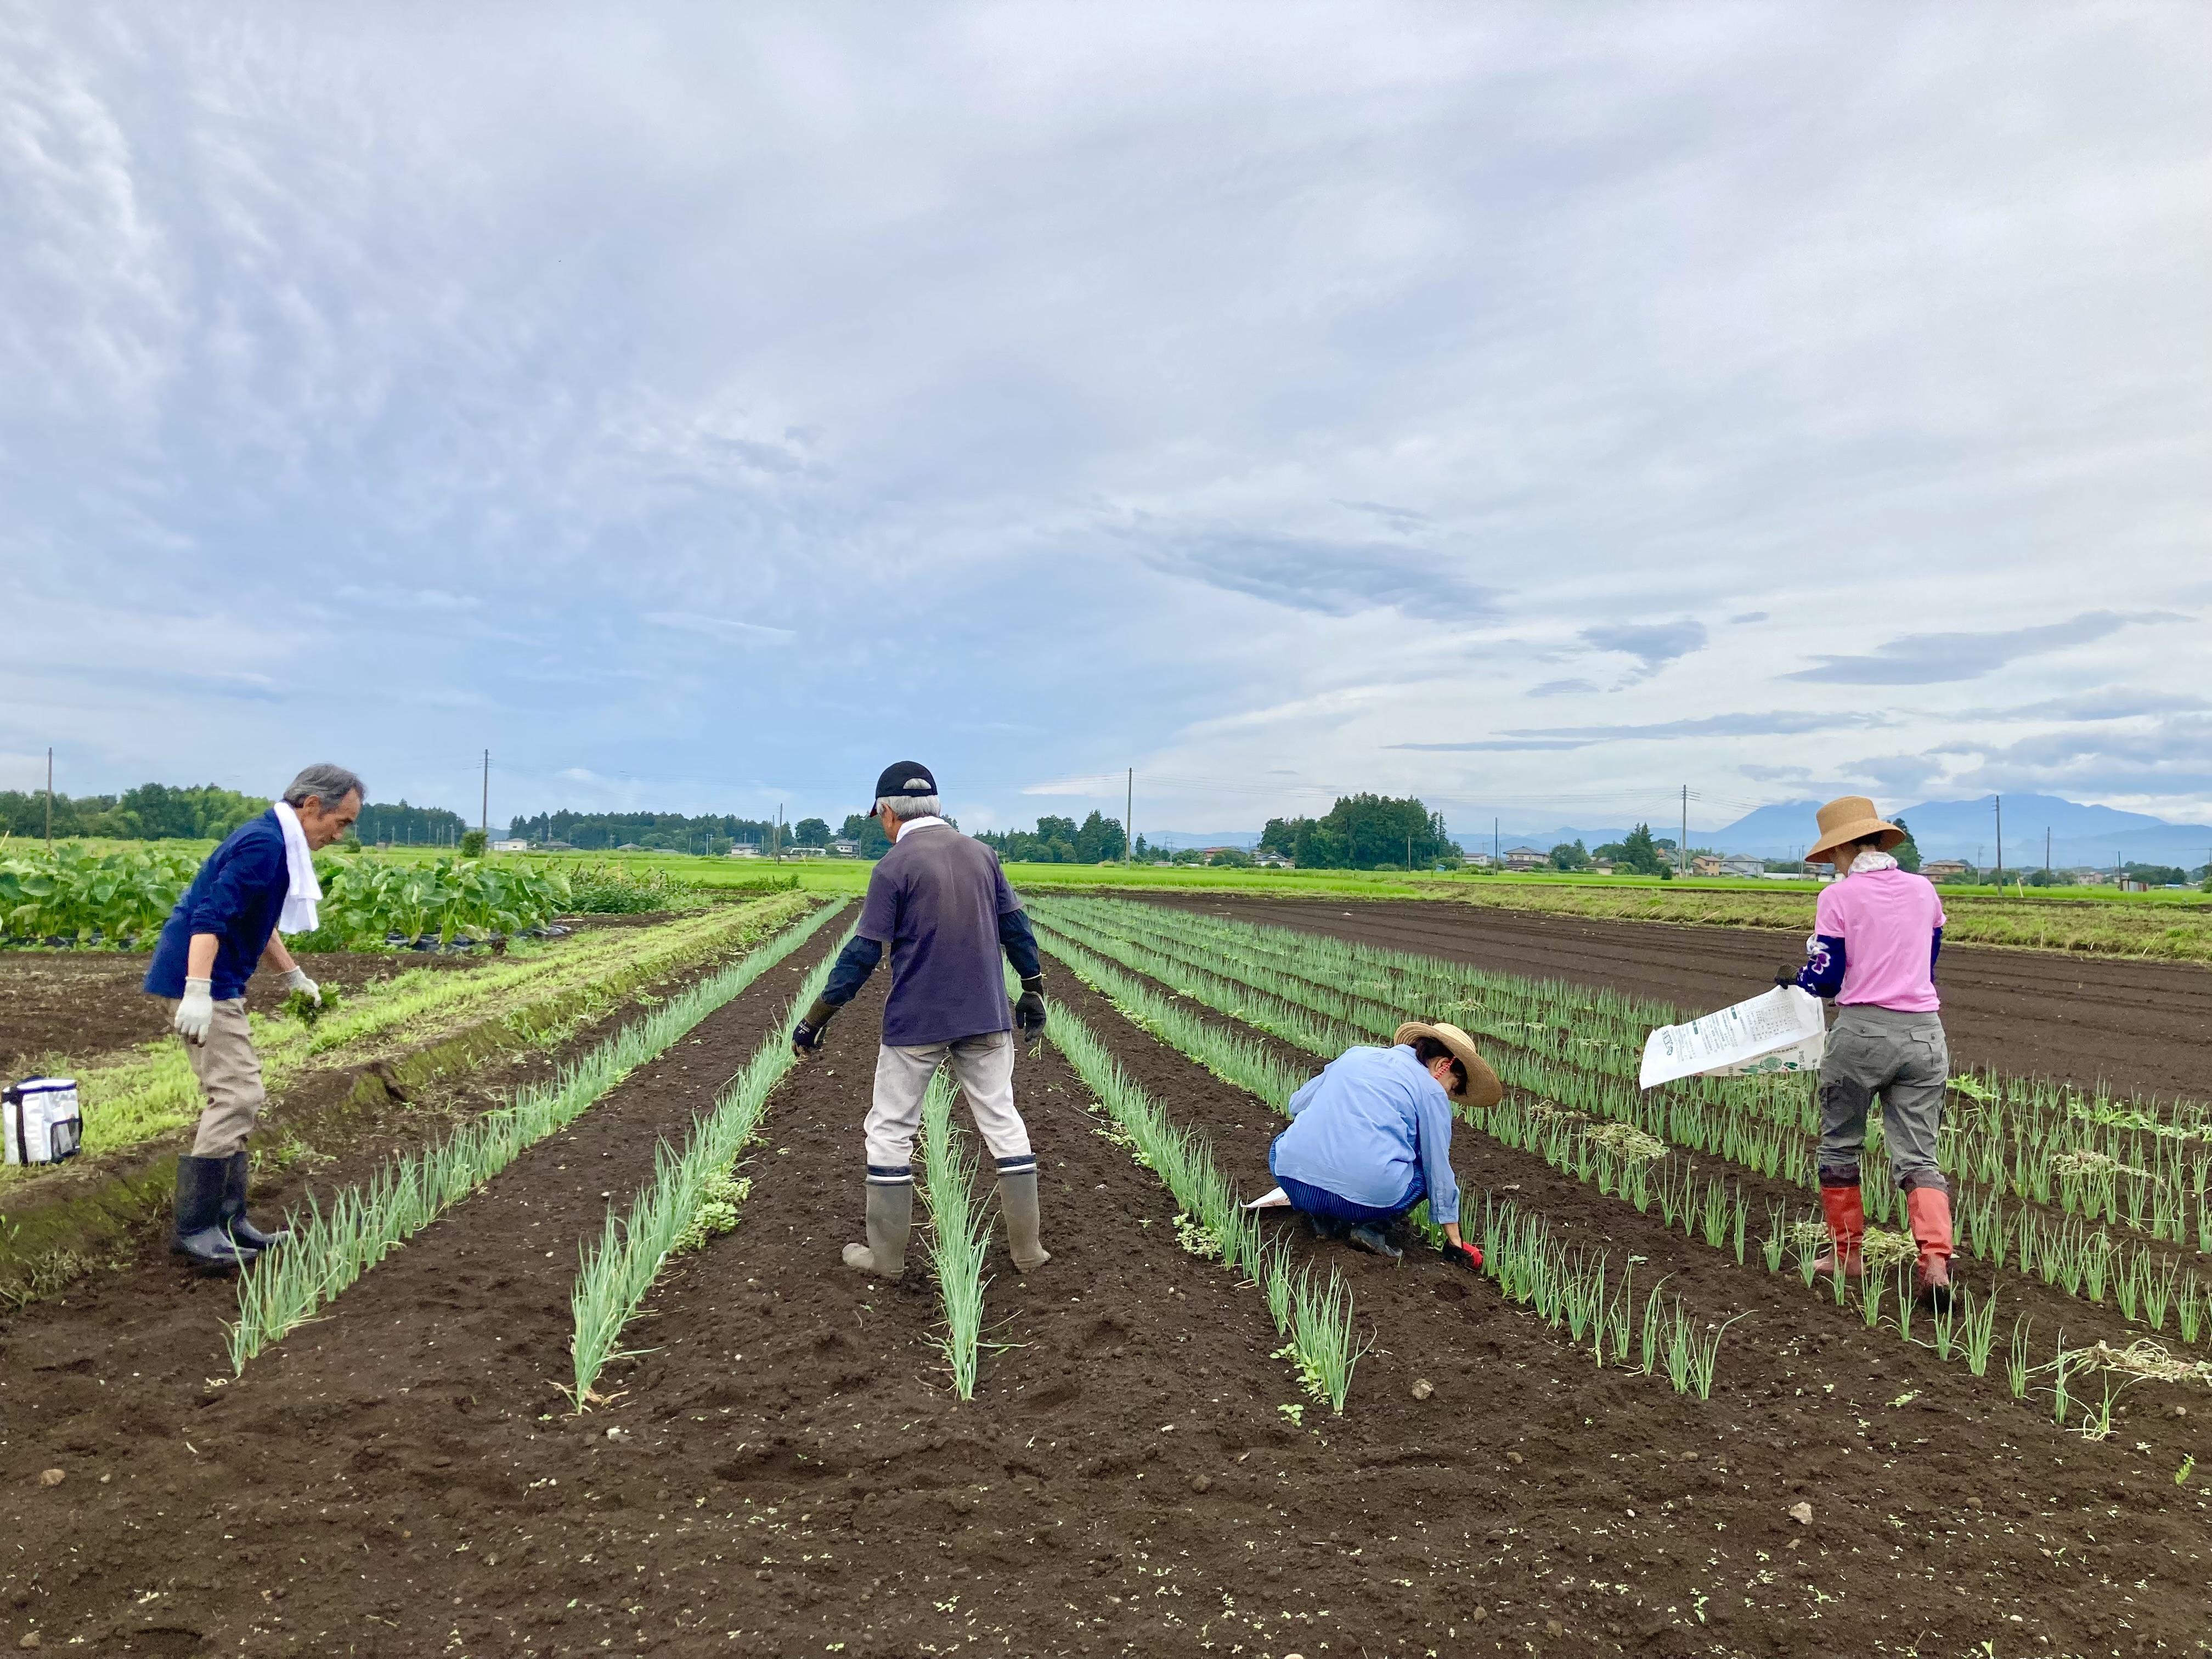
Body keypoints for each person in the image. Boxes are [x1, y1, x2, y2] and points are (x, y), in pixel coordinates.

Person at [790, 761, 1050, 1280]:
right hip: (986, 1015)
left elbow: (863, 954)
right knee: (1002, 1119)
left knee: (890, 1128)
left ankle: (885, 1259)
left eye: (879, 816)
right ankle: (1028, 1251)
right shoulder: (983, 856)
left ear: (888, 813)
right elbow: (1016, 928)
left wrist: (818, 1018)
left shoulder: (893, 866)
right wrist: (1034, 988)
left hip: (916, 1022)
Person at [144, 764, 364, 1268]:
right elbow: (210, 916)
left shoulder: (279, 843)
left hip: (215, 978)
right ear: (312, 805)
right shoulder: (264, 844)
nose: (341, 832)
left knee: (237, 1092)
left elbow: (256, 922)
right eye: (342, 821)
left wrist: (293, 976)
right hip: (201, 978)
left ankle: (229, 1220)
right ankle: (196, 1229)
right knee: (238, 1092)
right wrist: (197, 990)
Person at [1780, 795, 1952, 1302]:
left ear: (1844, 848)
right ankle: (1936, 1260)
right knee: (1920, 1156)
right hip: (1925, 1034)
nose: (1832, 863)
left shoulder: (1839, 897)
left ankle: (1846, 1255)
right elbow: (1930, 957)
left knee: (1840, 1145)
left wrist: (1801, 981)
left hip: (1861, 1034)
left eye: (1832, 855)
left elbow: (1828, 974)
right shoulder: (1924, 890)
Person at [1268, 1019, 1502, 1262]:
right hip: (1360, 1203)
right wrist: (1455, 1243)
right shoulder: (1432, 1092)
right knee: (1422, 1167)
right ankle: (1372, 1230)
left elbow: (1297, 1105)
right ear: (1442, 1065)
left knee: (1287, 1141)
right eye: (1452, 1087)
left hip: (1294, 1181)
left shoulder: (1355, 1055)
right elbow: (1439, 1172)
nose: (1447, 1096)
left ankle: (1323, 1221)